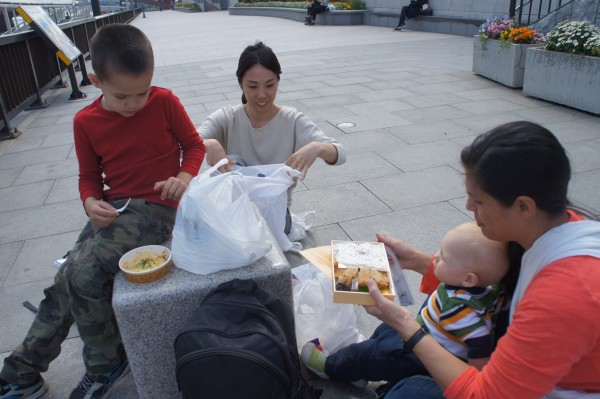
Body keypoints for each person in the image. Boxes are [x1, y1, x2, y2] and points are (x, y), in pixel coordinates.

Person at [0, 24, 205, 399]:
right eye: (122, 95)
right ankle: (21, 371)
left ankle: (105, 364)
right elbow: (89, 176)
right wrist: (90, 202)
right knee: (67, 279)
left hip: (158, 209)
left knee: (80, 274)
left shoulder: (165, 102)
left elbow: (194, 146)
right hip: (114, 208)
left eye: (142, 91)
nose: (134, 103)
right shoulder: (85, 122)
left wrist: (183, 176)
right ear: (95, 81)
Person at [364, 121, 600, 399]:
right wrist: (415, 260)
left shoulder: (564, 296)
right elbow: (489, 281)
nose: (468, 207)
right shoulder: (555, 225)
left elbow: (486, 395)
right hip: (508, 359)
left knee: (408, 391)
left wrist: (407, 327)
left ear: (524, 206)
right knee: (422, 318)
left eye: (478, 200)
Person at [300, 222, 509, 388]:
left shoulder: (463, 310)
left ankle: (330, 367)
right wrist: (413, 260)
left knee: (377, 353)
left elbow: (480, 344)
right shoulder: (486, 288)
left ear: (469, 279)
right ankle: (358, 371)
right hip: (426, 330)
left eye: (444, 257)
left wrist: (478, 375)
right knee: (385, 332)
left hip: (425, 355)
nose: (435, 257)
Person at [197, 41, 346, 231]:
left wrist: (317, 147)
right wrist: (208, 143)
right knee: (234, 163)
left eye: (270, 85)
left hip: (276, 217)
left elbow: (340, 154)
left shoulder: (292, 120)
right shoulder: (227, 118)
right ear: (240, 84)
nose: (262, 94)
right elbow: (188, 142)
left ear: (278, 82)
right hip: (234, 212)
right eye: (252, 86)